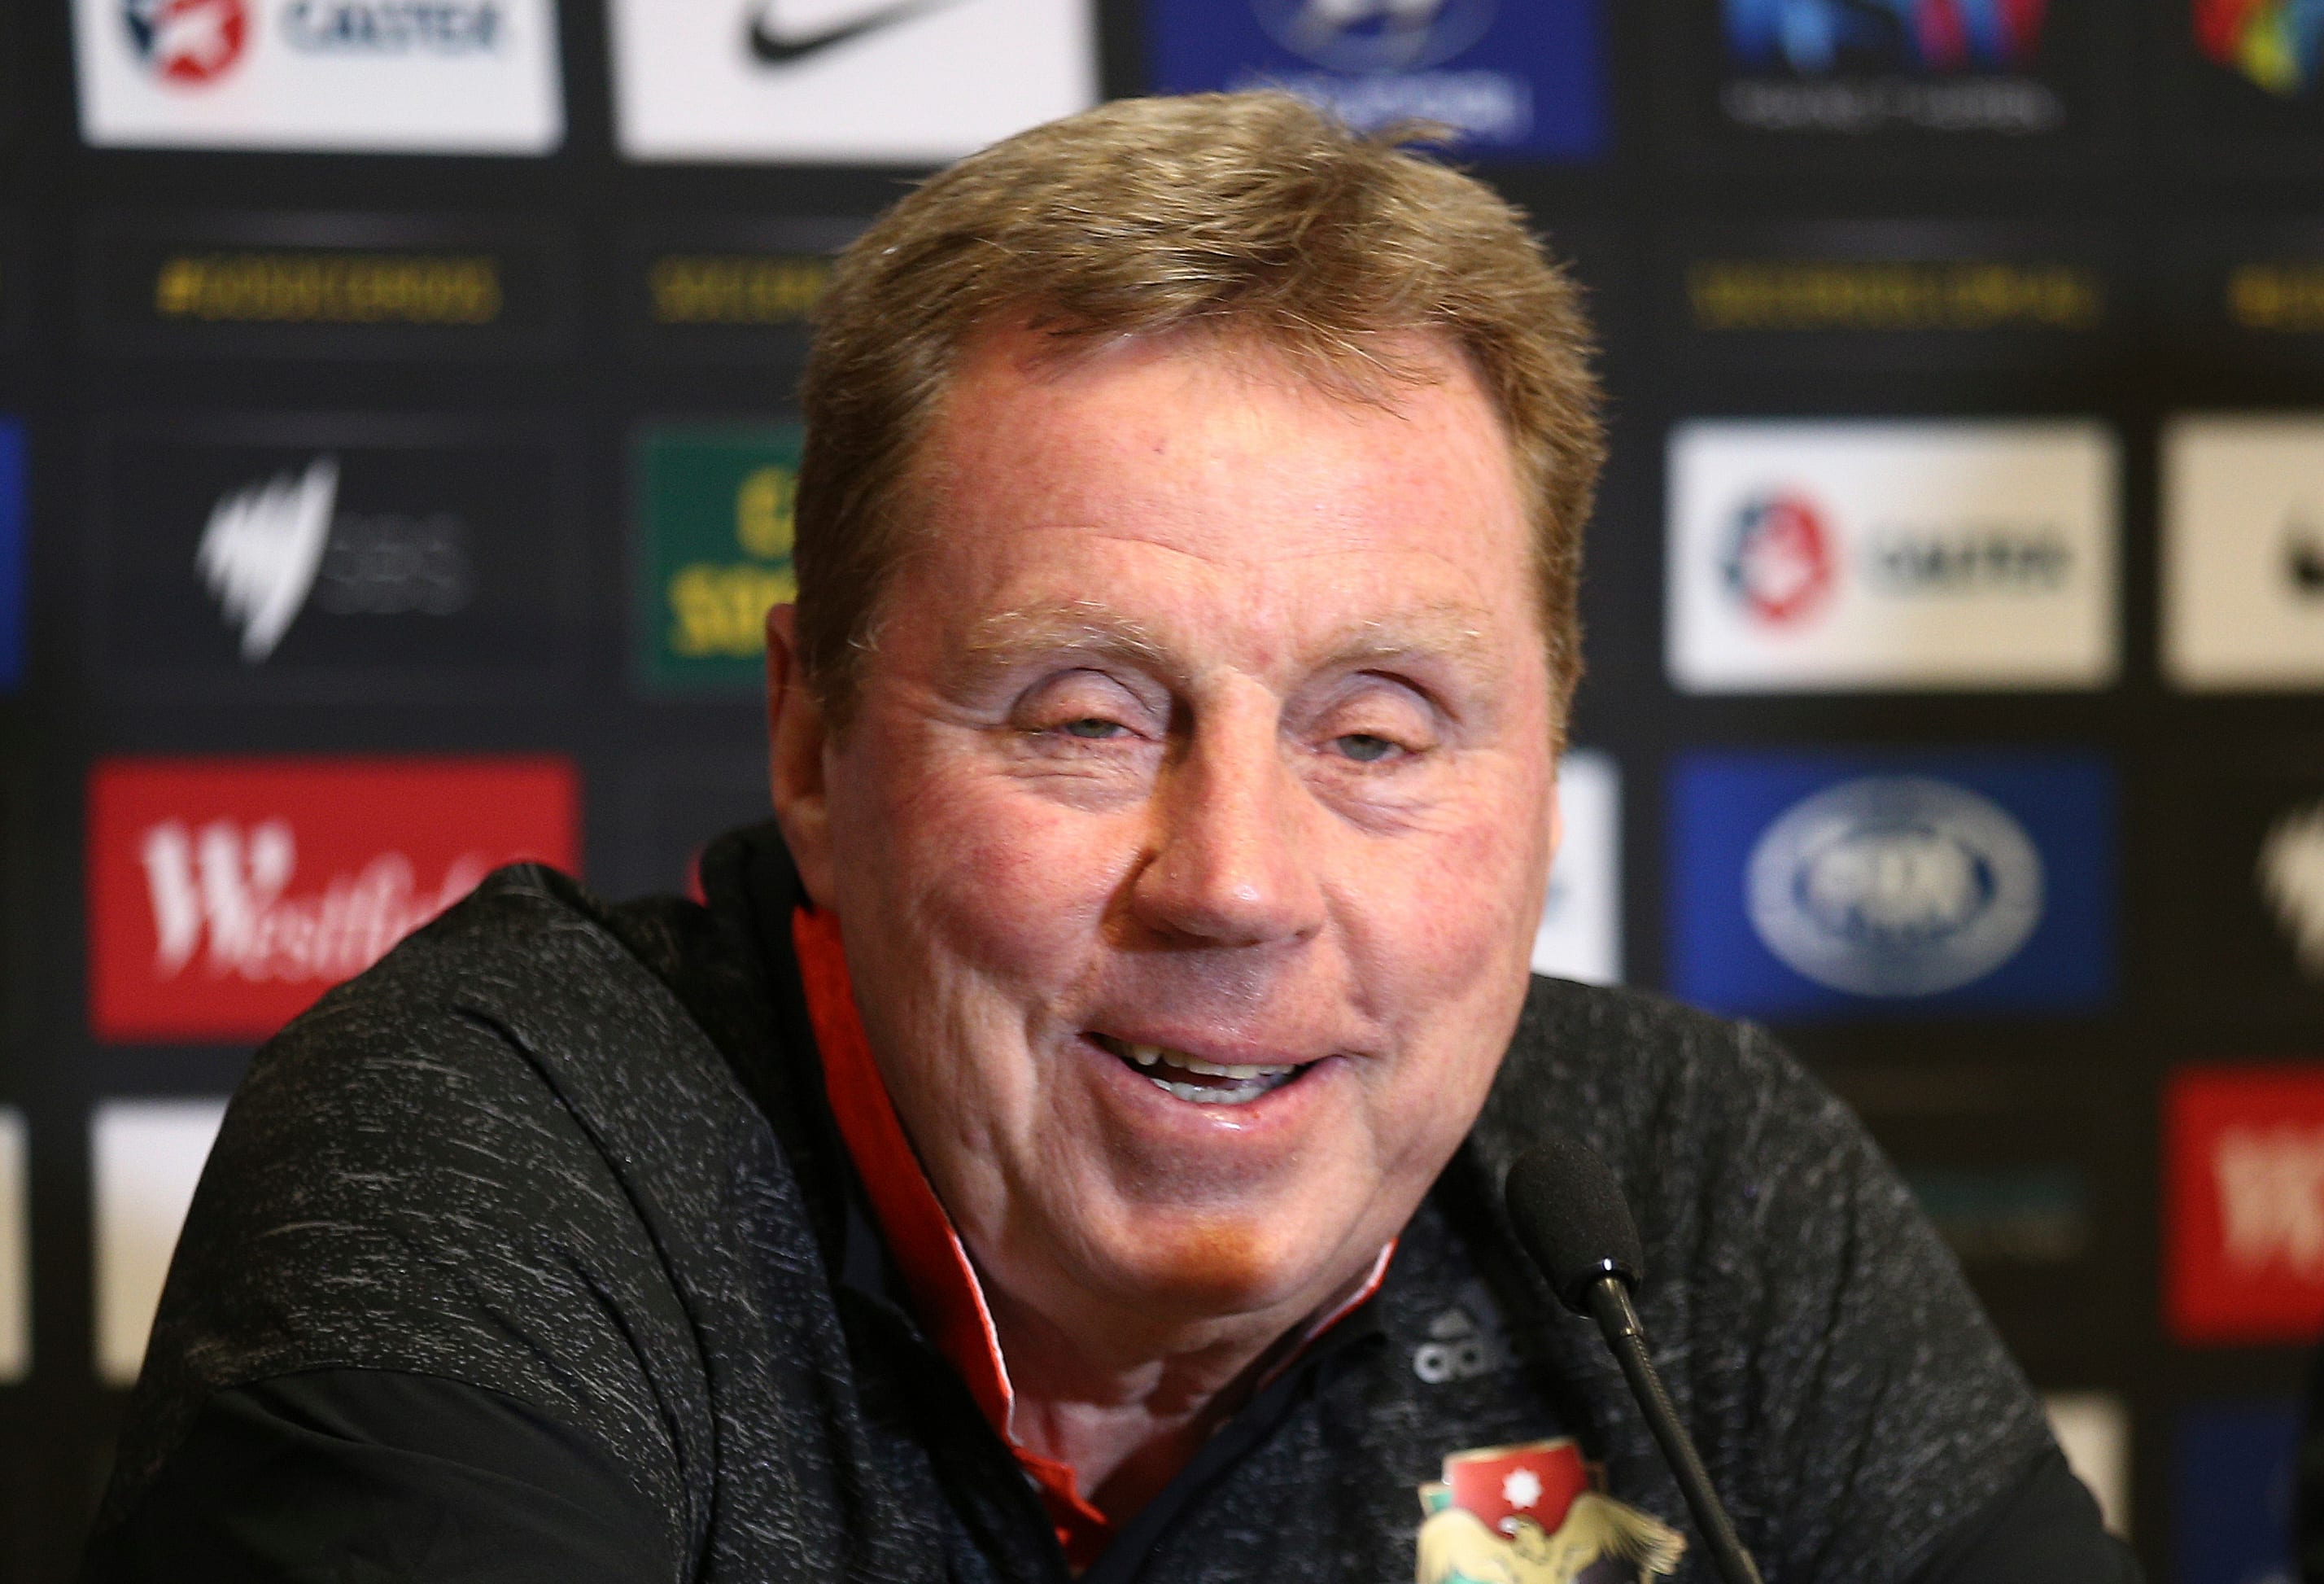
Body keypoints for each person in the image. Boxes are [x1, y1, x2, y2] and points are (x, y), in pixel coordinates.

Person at [82, 93, 2135, 1583]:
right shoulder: (506, 1153)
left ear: (1545, 764)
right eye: (1086, 719)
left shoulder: (1692, 1200)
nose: (1234, 879)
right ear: (813, 744)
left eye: (1377, 733)